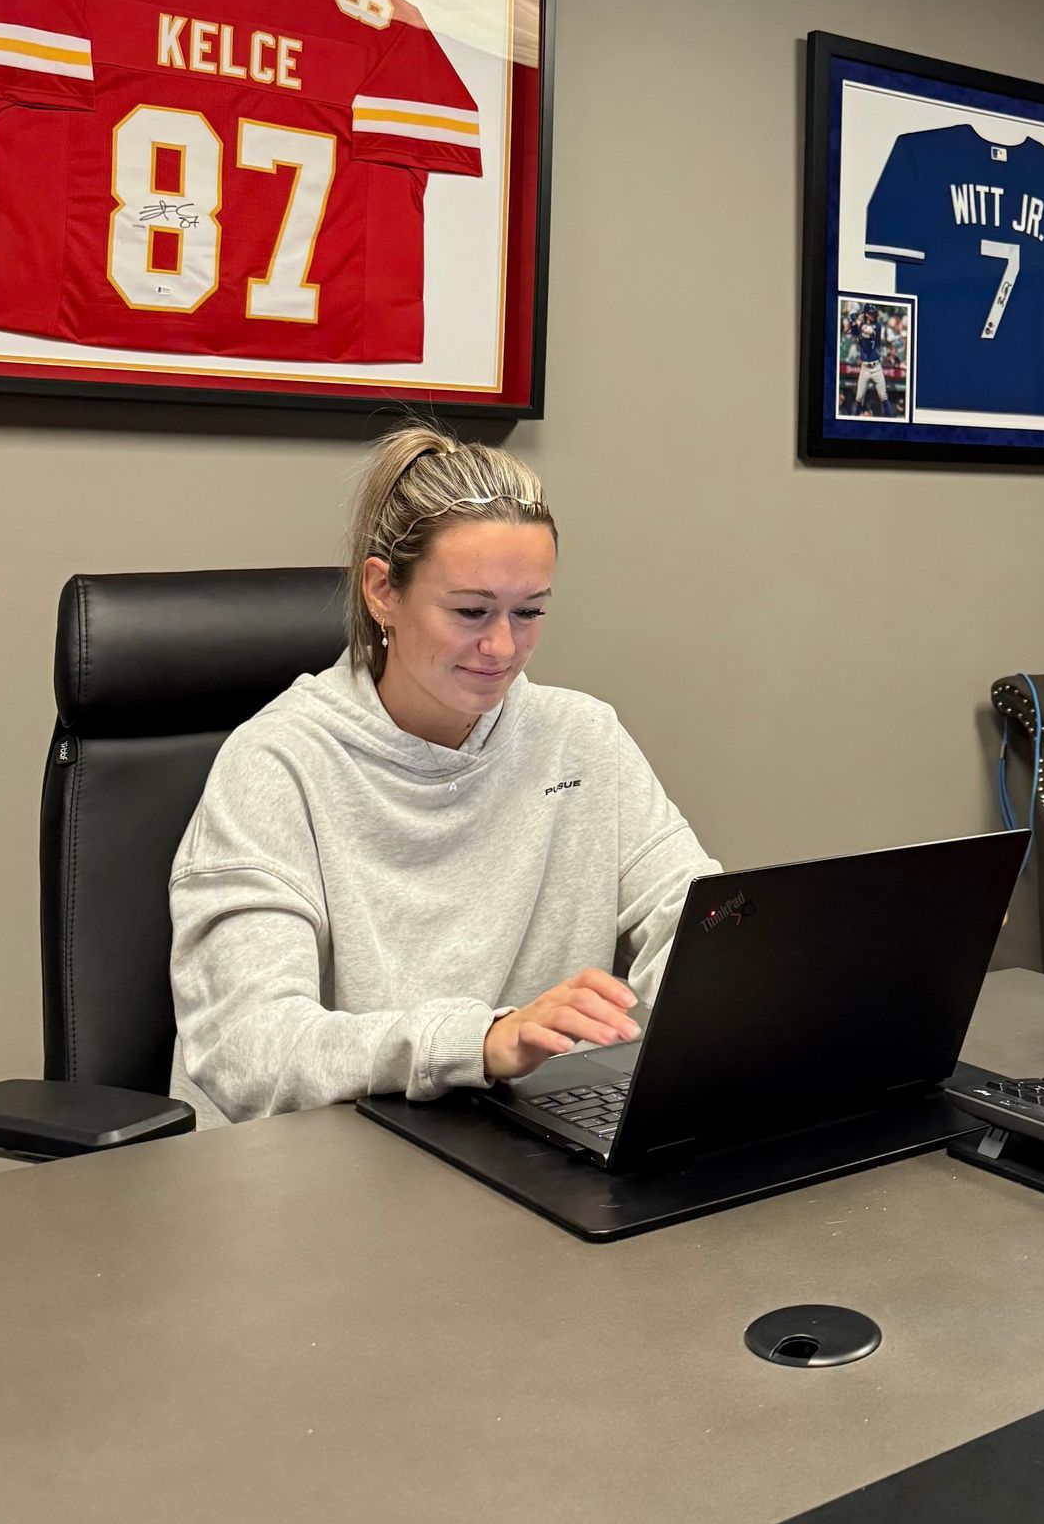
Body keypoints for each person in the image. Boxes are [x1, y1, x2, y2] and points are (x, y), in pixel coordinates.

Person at [168, 423, 720, 1125]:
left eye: (529, 612)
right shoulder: (277, 765)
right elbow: (249, 1051)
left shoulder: (581, 739)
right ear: (381, 592)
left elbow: (693, 917)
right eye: (471, 611)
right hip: (312, 1173)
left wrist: (742, 995)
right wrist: (478, 1039)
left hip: (504, 1142)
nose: (502, 646)